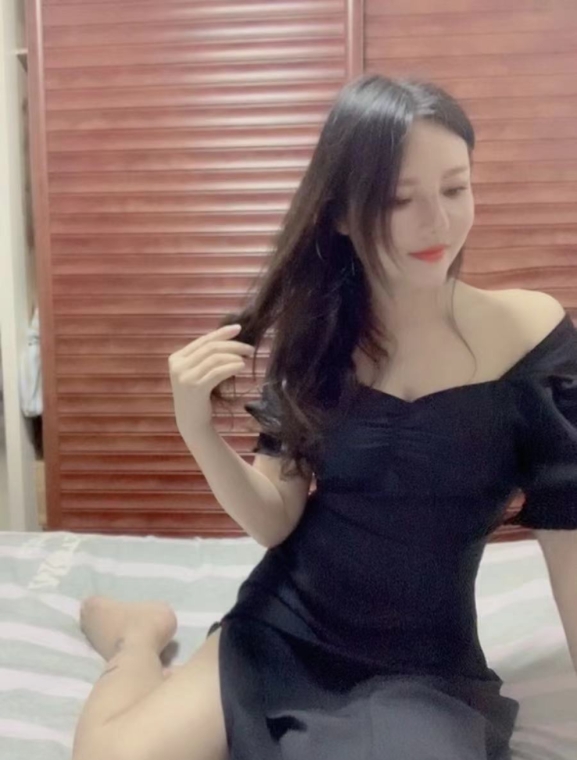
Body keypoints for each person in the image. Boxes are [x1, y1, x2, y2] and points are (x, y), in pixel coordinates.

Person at [71, 74, 577, 760]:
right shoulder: (318, 340)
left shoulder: (533, 338)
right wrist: (198, 432)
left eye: (455, 188)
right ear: (339, 213)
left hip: (419, 665)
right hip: (287, 623)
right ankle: (137, 637)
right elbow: (274, 519)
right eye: (399, 199)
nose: (437, 221)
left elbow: (569, 544)